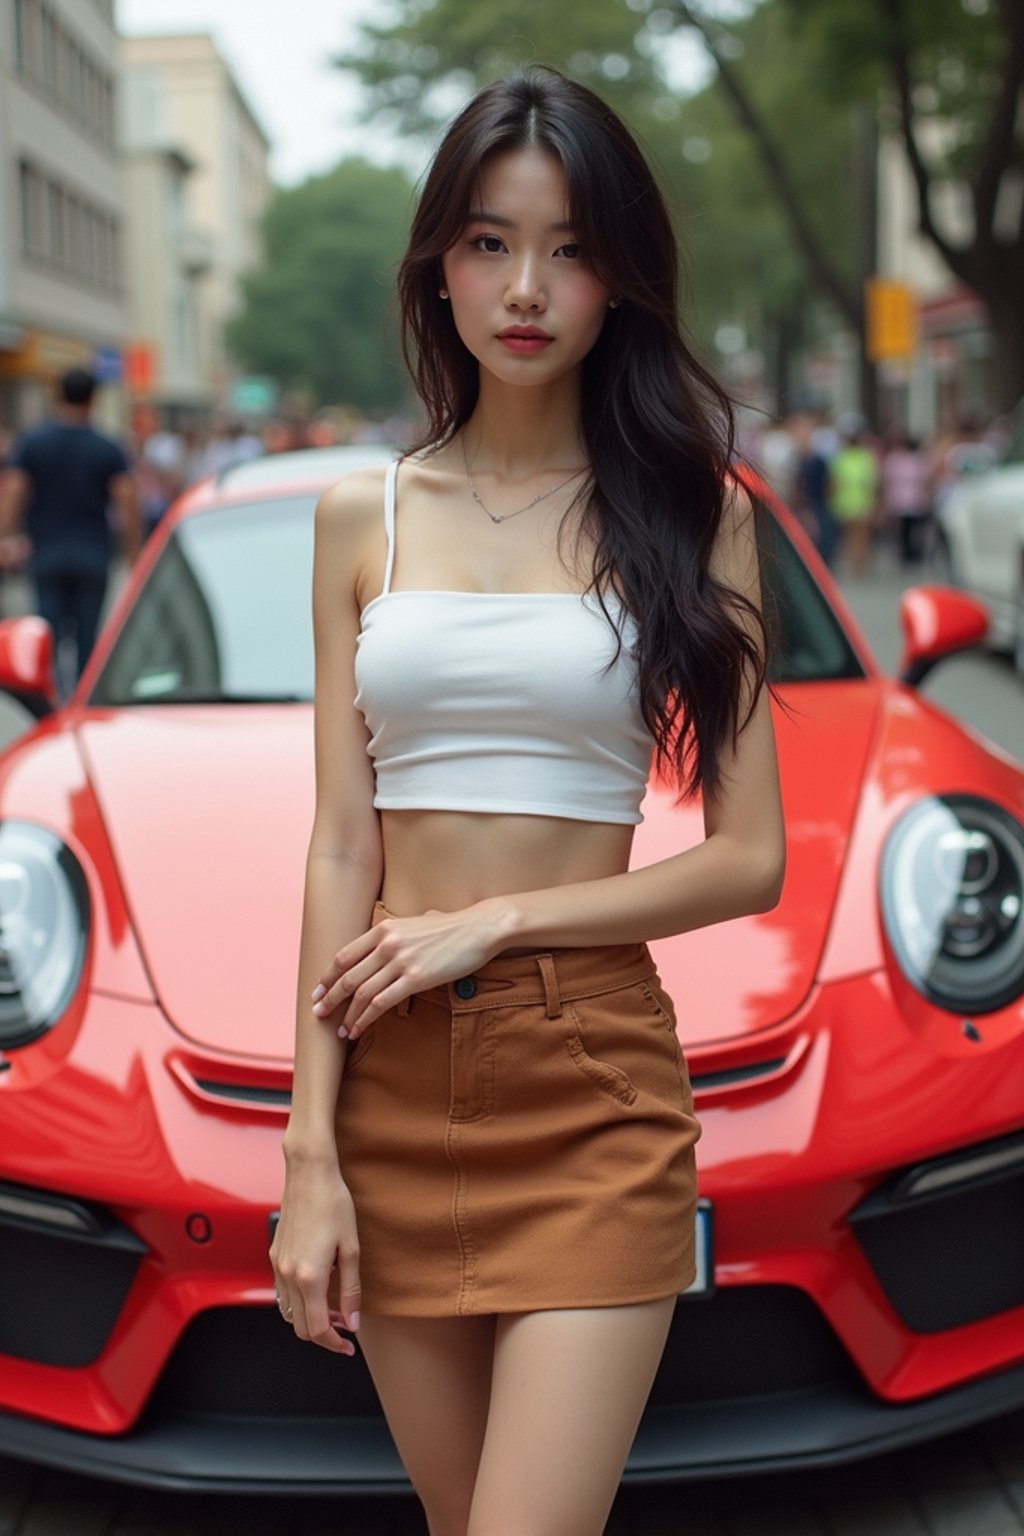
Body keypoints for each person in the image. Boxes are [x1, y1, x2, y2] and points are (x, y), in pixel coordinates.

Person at [270, 67, 785, 1536]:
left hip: (591, 1079)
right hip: (385, 1079)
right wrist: (310, 1152)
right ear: (438, 263)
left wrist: (490, 920)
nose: (527, 286)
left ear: (619, 276)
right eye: (492, 241)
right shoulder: (357, 516)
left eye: (569, 247)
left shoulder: (695, 509)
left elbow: (751, 859)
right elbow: (339, 842)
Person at [0, 368, 141, 681]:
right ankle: (80, 701)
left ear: (58, 395)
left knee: (47, 637)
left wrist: (5, 536)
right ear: (93, 400)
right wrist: (134, 551)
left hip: (47, 551)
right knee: (86, 639)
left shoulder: (33, 443)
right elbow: (128, 501)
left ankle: (51, 701)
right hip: (93, 551)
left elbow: (15, 492)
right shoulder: (108, 446)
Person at [828, 413, 879, 577]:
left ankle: (856, 564)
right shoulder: (866, 457)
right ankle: (859, 564)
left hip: (848, 502)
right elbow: (874, 483)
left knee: (853, 537)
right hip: (861, 502)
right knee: (860, 537)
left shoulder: (841, 457)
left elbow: (833, 483)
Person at [881, 427, 933, 568]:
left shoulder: (914, 460)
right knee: (907, 531)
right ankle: (908, 556)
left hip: (909, 500)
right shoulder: (900, 459)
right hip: (905, 500)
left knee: (910, 530)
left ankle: (911, 555)